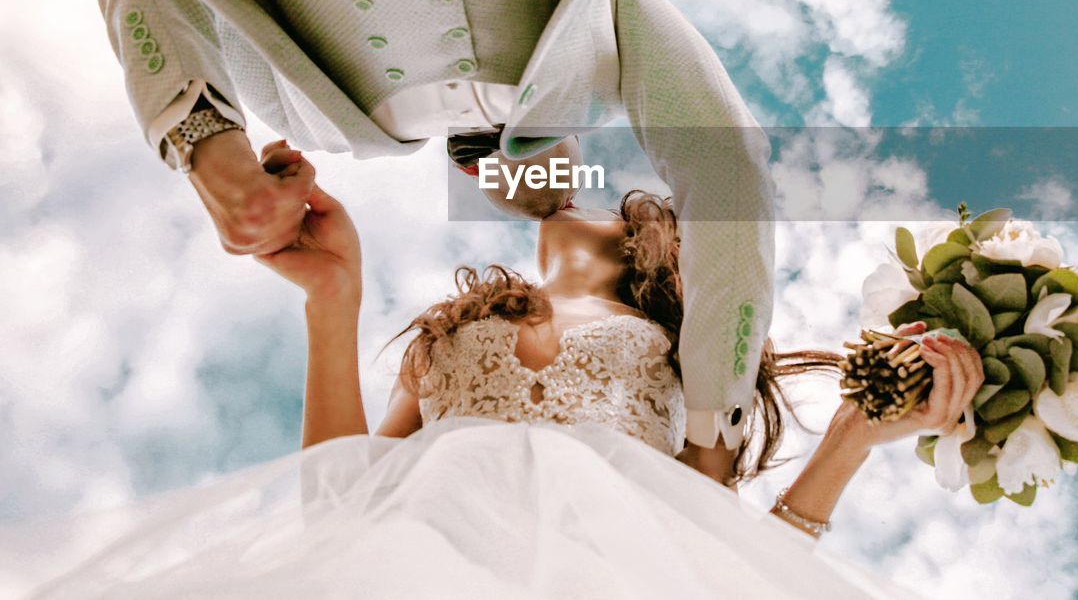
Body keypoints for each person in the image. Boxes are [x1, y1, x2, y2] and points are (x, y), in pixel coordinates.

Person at [0, 0, 775, 478]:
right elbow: (726, 167)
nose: (549, 198)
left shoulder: (317, 122)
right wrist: (713, 441)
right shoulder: (591, 37)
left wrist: (205, 144)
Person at [0, 152, 984, 598]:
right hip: (408, 553)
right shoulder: (446, 338)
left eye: (596, 203)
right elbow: (338, 498)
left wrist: (853, 437)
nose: (567, 203)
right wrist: (332, 296)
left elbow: (717, 554)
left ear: (649, 243)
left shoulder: (686, 353)